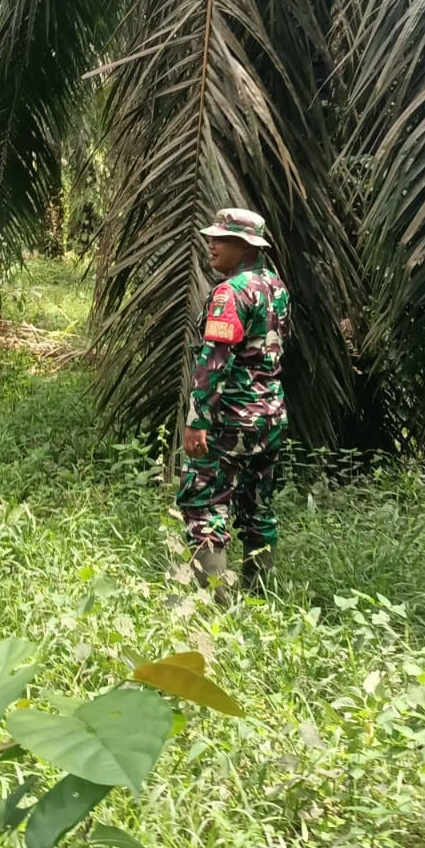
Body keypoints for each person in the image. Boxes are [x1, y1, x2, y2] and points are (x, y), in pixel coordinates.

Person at [178, 207, 290, 600]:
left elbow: (214, 362)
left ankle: (213, 606)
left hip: (230, 421)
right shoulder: (275, 287)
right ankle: (260, 597)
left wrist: (197, 420)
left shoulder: (231, 293)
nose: (211, 244)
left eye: (220, 239)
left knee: (204, 503)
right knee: (258, 507)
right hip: (270, 419)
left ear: (244, 247)